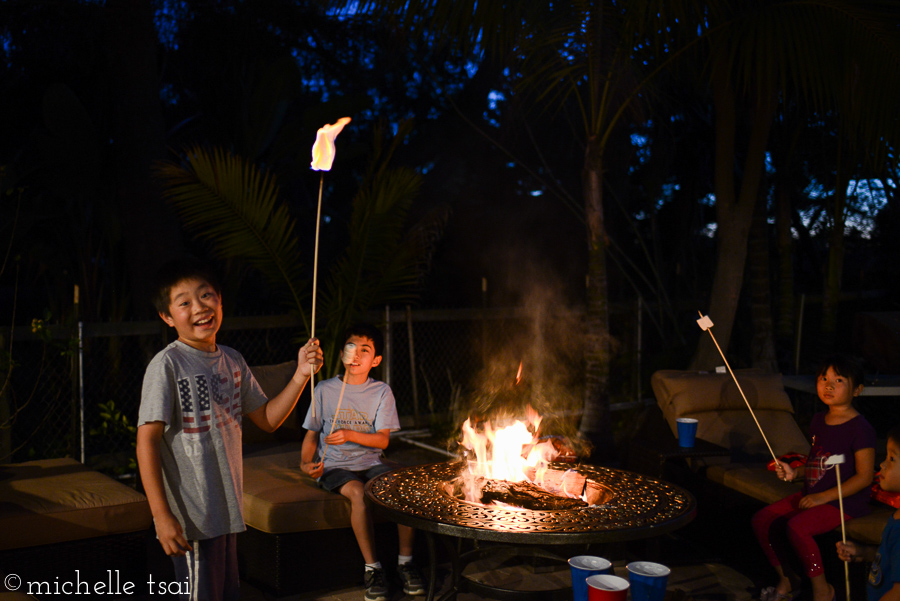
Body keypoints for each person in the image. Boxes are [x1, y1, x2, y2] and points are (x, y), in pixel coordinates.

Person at [136, 257, 322, 601]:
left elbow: (267, 419)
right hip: (191, 516)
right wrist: (161, 516)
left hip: (225, 509)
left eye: (206, 296)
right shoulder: (167, 364)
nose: (200, 308)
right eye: (185, 302)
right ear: (167, 316)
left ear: (220, 300)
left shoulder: (232, 360)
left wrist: (300, 375)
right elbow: (146, 441)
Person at [300, 323, 424, 601]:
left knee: (402, 487)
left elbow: (382, 441)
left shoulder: (381, 392)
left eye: (364, 350)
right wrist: (305, 464)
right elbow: (311, 434)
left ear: (375, 360)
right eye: (350, 347)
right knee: (358, 492)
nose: (355, 355)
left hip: (371, 462)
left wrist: (349, 434)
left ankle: (406, 563)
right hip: (335, 466)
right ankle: (373, 568)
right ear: (343, 353)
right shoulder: (324, 389)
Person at [752, 354, 876, 601]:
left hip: (844, 501)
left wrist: (822, 498)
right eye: (824, 378)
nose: (828, 385)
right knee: (762, 519)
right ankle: (788, 580)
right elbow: (817, 461)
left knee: (797, 527)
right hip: (815, 494)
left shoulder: (860, 428)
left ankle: (823, 591)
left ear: (857, 390)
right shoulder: (819, 420)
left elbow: (864, 477)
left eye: (839, 380)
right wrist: (795, 472)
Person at [836, 423, 900, 601]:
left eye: (892, 459)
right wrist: (862, 552)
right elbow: (890, 559)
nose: (882, 463)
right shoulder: (896, 516)